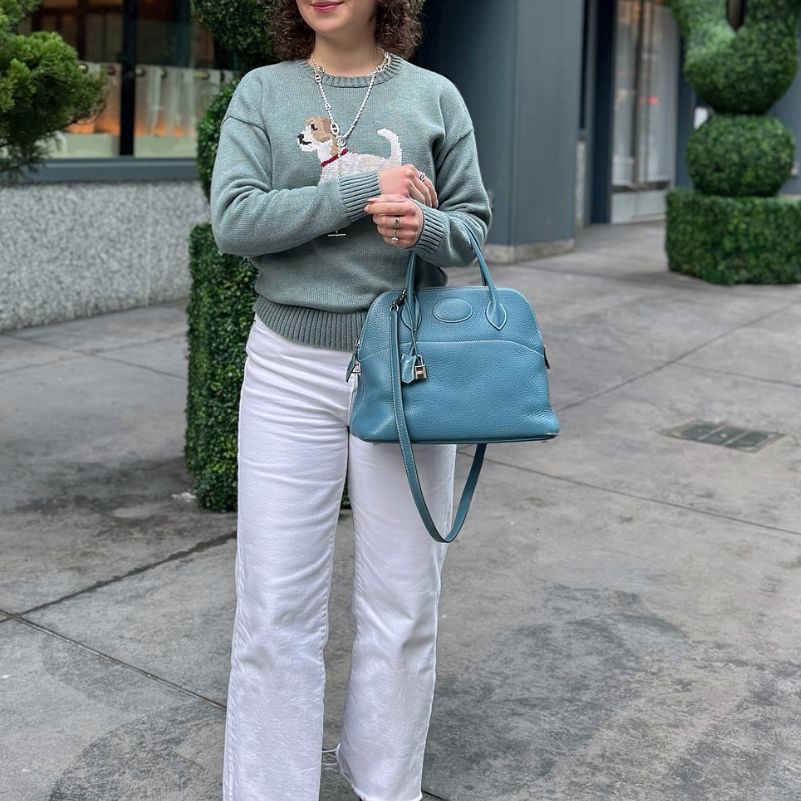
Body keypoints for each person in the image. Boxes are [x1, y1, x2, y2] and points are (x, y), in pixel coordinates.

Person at [208, 1, 492, 799]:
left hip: (404, 365)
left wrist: (423, 228)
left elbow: (472, 228)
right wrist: (359, 187)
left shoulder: (434, 95)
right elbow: (232, 220)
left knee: (404, 601)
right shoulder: (263, 92)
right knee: (272, 603)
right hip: (287, 365)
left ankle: (383, 784)